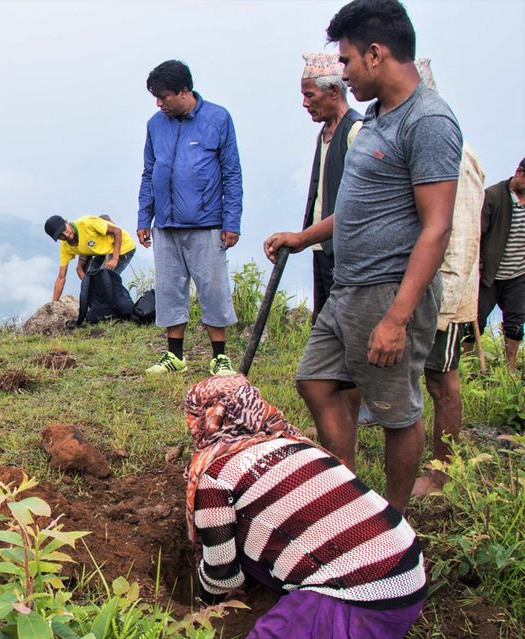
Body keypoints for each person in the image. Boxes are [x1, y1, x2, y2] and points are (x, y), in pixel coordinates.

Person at [263, 0, 463, 513]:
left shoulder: (429, 121)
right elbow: (356, 209)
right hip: (348, 287)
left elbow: (436, 227)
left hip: (388, 291)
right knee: (314, 380)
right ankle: (347, 494)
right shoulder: (374, 119)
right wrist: (303, 237)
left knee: (396, 411)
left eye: (347, 60)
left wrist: (397, 319)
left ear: (375, 54)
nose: (344, 72)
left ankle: (392, 523)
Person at [185, 374, 426, 639]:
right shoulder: (296, 443)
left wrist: (203, 604)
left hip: (360, 601)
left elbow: (222, 575)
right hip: (409, 579)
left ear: (204, 419)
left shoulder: (217, 474)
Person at [137, 59, 242, 377]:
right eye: (155, 97)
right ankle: (175, 356)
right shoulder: (156, 124)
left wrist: (231, 222)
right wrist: (145, 217)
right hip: (165, 225)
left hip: (207, 223)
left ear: (185, 91)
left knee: (213, 289)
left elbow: (232, 173)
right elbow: (149, 171)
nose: (159, 103)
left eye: (164, 96)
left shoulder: (218, 119)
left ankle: (219, 356)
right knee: (169, 289)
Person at [411, 59, 486, 499]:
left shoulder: (454, 154)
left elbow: (460, 240)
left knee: (443, 381)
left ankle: (442, 474)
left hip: (443, 297)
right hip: (423, 291)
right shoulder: (426, 147)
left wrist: (444, 309)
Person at [299, 52, 363, 325]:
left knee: (344, 321)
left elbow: (360, 201)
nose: (305, 103)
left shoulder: (356, 131)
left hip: (346, 249)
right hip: (321, 246)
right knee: (323, 319)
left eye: (310, 95)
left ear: (334, 91)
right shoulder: (324, 133)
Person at [473, 157, 525, 374]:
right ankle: (469, 367)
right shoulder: (493, 196)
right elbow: (477, 234)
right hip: (490, 275)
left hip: (519, 274)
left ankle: (510, 371)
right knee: (474, 321)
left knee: (514, 324)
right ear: (519, 172)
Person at [43, 214, 137, 302]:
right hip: (104, 251)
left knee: (104, 280)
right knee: (90, 279)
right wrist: (53, 304)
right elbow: (61, 277)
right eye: (60, 235)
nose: (66, 235)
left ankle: (126, 306)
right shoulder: (66, 247)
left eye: (64, 229)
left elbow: (117, 231)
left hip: (123, 247)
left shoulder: (87, 223)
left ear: (67, 222)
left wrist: (115, 258)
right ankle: (98, 307)